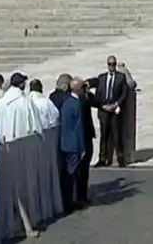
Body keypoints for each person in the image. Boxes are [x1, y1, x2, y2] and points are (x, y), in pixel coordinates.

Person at [96, 54, 130, 167]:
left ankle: (121, 159)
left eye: (113, 64)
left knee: (117, 135)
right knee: (104, 136)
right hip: (104, 109)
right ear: (107, 65)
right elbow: (98, 94)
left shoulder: (121, 77)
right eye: (110, 64)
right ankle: (102, 158)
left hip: (115, 109)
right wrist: (102, 106)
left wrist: (116, 104)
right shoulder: (101, 78)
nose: (112, 66)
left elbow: (124, 93)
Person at [58, 78, 86, 211]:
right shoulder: (76, 104)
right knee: (72, 174)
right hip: (73, 144)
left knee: (67, 174)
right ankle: (70, 202)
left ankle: (67, 200)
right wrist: (82, 148)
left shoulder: (66, 102)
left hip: (64, 142)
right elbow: (78, 128)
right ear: (79, 89)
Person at [0, 72, 40, 142]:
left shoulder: (1, 102)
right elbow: (35, 125)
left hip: (5, 144)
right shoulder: (26, 102)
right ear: (21, 84)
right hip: (23, 143)